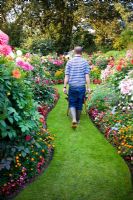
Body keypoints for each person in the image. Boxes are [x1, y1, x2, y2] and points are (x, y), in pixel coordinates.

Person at [63, 46, 91, 128]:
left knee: (72, 102)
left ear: (74, 52)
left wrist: (64, 87)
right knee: (79, 102)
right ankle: (78, 120)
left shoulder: (69, 62)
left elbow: (66, 76)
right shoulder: (85, 62)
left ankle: (74, 119)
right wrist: (88, 87)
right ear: (81, 53)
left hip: (72, 86)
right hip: (81, 86)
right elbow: (87, 76)